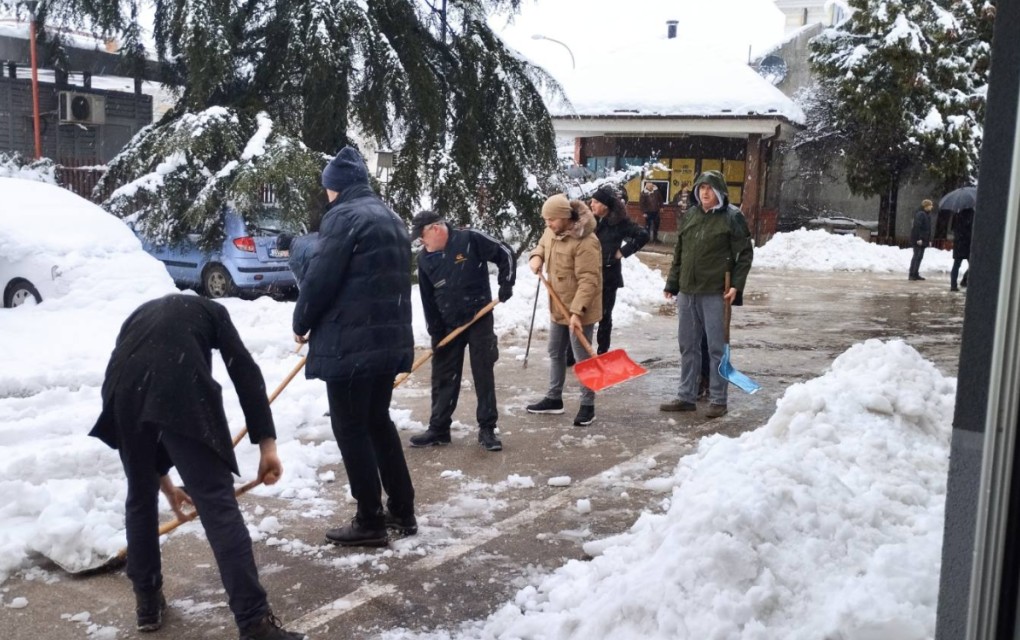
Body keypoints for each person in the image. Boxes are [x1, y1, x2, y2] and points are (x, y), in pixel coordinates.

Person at [90, 294, 305, 640]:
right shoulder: (212, 311)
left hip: (123, 394)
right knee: (218, 505)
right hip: (176, 390)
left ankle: (147, 602)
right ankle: (254, 624)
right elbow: (245, 372)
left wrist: (161, 482)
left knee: (140, 498)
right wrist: (267, 445)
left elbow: (142, 390)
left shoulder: (138, 316)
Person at [292, 146, 417, 547]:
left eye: (328, 187)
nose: (327, 194)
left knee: (350, 427)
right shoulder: (390, 216)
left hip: (352, 345)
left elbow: (321, 278)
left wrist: (302, 322)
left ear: (337, 186)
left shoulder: (343, 216)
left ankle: (369, 520)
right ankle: (402, 507)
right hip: (386, 338)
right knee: (377, 421)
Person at [408, 210, 516, 452]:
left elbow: (505, 252)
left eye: (422, 236)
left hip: (479, 317)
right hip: (448, 324)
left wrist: (506, 282)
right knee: (443, 375)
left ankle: (487, 428)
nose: (421, 242)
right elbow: (428, 299)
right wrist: (435, 332)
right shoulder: (425, 259)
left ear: (436, 228)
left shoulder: (469, 239)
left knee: (482, 371)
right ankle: (439, 429)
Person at [659, 170, 753, 419]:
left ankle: (718, 399)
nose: (704, 192)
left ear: (720, 192)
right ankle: (686, 396)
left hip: (715, 291)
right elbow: (680, 252)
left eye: (709, 188)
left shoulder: (732, 217)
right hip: (688, 291)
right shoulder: (690, 215)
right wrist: (673, 283)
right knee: (687, 346)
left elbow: (744, 254)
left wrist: (736, 285)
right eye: (701, 188)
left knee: (716, 348)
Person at [526, 194, 603, 427]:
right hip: (558, 304)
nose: (547, 223)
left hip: (581, 309)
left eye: (551, 219)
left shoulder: (586, 241)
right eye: (546, 219)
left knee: (582, 358)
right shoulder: (552, 231)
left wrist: (577, 313)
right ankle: (553, 398)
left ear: (564, 217)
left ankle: (588, 406)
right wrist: (536, 257)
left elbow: (589, 280)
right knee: (555, 351)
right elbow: (541, 244)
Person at [589, 184, 649, 354]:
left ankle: (602, 351)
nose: (591, 204)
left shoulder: (619, 223)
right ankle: (577, 352)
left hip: (609, 275)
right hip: (588, 274)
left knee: (604, 316)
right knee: (585, 314)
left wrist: (623, 251)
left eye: (595, 202)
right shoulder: (588, 220)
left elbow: (643, 235)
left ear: (605, 206)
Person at [909, 199, 935, 281]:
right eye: (930, 205)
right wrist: (919, 238)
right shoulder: (920, 214)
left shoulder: (927, 215)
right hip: (918, 239)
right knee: (916, 256)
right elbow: (917, 227)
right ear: (926, 206)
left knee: (919, 257)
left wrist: (929, 239)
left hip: (924, 239)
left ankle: (915, 273)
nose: (931, 207)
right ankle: (912, 274)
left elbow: (928, 229)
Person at [950, 207, 974, 292]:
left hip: (958, 244)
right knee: (972, 265)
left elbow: (952, 228)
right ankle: (964, 280)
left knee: (956, 265)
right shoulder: (972, 215)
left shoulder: (957, 215)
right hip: (967, 244)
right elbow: (971, 230)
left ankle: (953, 285)